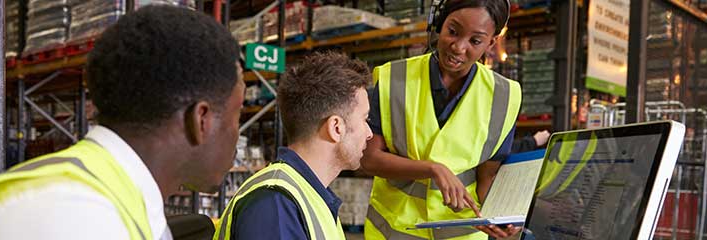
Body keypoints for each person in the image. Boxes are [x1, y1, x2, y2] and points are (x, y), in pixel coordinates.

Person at [0, 5, 244, 240]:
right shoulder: (74, 217)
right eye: (236, 114)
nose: (237, 132)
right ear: (200, 120)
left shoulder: (118, 201)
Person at [360, 0, 523, 239]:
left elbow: (486, 176)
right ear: (438, 24)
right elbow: (369, 159)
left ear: (491, 42)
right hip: (394, 231)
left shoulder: (505, 97)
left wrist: (499, 216)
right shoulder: (391, 79)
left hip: (462, 233)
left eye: (475, 41)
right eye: (453, 32)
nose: (458, 47)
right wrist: (431, 169)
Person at [213, 52, 373, 240]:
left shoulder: (309, 196)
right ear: (336, 128)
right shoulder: (276, 205)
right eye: (365, 119)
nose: (369, 133)